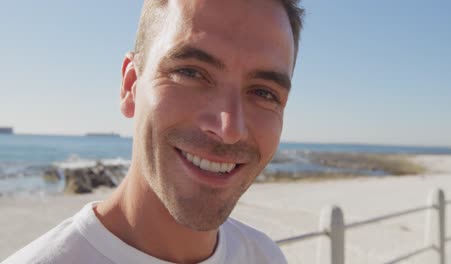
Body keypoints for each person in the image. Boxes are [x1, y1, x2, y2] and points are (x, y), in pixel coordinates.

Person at [3, 0, 304, 263]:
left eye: (264, 93)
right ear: (130, 85)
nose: (228, 129)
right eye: (190, 73)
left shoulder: (265, 257)